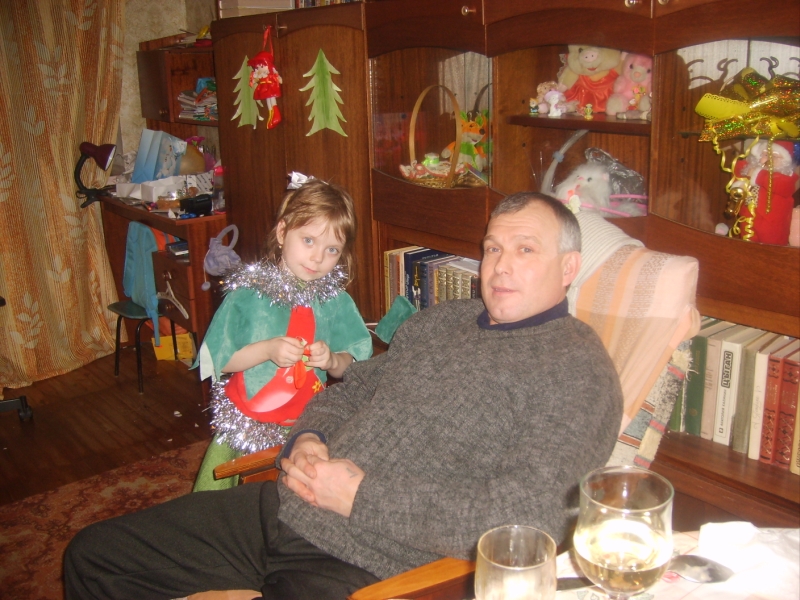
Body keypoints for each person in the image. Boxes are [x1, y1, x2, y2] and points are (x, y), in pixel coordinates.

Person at [64, 192, 624, 600]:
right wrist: (310, 437)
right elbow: (353, 388)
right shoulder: (444, 320)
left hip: (373, 562)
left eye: (525, 249)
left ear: (568, 268)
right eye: (493, 247)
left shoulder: (576, 369)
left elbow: (531, 517)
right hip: (287, 505)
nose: (500, 266)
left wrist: (361, 497)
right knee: (94, 558)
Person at [192, 178, 373, 492]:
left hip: (308, 426)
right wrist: (267, 350)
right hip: (248, 423)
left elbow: (354, 363)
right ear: (281, 233)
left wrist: (332, 360)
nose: (318, 258)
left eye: (332, 249)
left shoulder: (336, 302)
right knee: (227, 501)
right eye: (308, 240)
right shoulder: (248, 296)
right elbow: (220, 361)